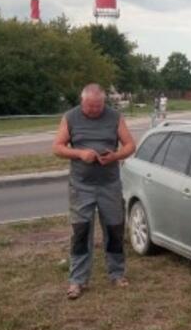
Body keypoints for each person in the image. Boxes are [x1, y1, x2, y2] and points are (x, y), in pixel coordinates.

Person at [52, 84, 136, 299]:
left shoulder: (114, 117)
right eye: (90, 107)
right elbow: (58, 147)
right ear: (82, 102)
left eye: (98, 106)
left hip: (109, 184)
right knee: (81, 232)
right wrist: (80, 154)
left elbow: (129, 146)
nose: (94, 110)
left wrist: (115, 156)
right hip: (81, 186)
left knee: (115, 229)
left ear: (103, 102)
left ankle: (117, 273)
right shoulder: (70, 117)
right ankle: (78, 280)